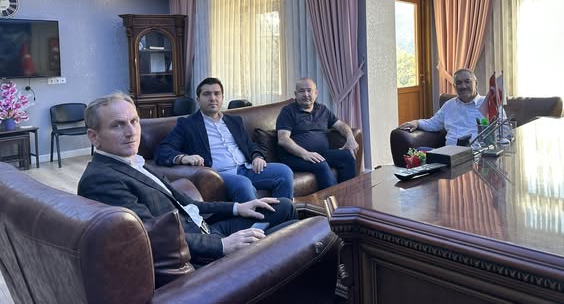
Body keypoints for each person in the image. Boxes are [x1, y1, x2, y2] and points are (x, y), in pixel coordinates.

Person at [77, 92, 297, 266]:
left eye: (134, 121)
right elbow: (149, 236)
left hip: (206, 230)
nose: (131, 132)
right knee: (299, 233)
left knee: (284, 206)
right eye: (118, 125)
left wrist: (238, 207)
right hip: (199, 252)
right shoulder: (101, 179)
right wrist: (222, 245)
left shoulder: (135, 162)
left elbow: (188, 204)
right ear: (94, 137)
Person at [155, 78, 294, 202]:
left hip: (246, 168)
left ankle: (283, 216)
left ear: (222, 97)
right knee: (243, 184)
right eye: (206, 94)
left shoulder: (234, 121)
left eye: (217, 94)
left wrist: (257, 156)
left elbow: (249, 145)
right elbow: (162, 151)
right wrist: (183, 158)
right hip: (219, 174)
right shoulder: (187, 124)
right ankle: (258, 222)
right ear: (198, 99)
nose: (213, 98)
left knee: (284, 172)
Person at [276, 78, 358, 191]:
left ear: (316, 93)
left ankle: (349, 194)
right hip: (294, 156)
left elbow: (341, 125)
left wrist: (350, 137)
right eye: (301, 91)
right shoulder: (288, 111)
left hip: (320, 153)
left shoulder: (322, 110)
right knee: (320, 163)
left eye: (309, 90)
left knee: (347, 156)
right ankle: (333, 200)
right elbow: (283, 139)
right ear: (295, 94)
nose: (306, 94)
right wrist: (304, 154)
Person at [400, 68, 499, 145]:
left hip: (478, 154)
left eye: (467, 81)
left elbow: (503, 132)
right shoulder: (449, 105)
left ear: (476, 84)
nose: (463, 86)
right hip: (450, 155)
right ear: (454, 86)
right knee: (421, 154)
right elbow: (433, 123)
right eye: (458, 83)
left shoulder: (490, 104)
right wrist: (416, 123)